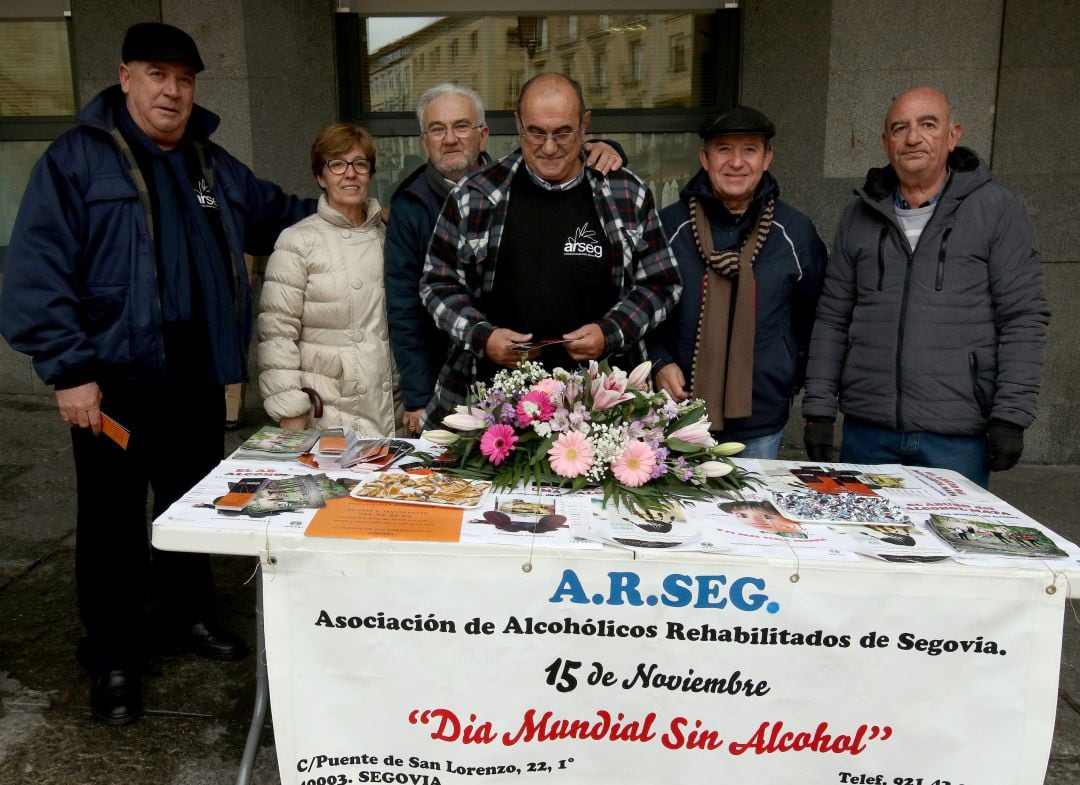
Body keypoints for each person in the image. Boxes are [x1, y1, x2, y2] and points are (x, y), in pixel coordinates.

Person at [0, 23, 314, 725]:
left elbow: (284, 218)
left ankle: (185, 615)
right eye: (156, 74)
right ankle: (112, 653)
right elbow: (36, 270)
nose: (172, 91)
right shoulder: (78, 161)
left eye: (184, 78)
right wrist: (69, 369)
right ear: (125, 77)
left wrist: (355, 212)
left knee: (190, 506)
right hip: (111, 380)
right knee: (112, 520)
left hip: (198, 373)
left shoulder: (211, 164)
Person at [801, 87, 1049, 487]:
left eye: (927, 125)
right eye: (900, 128)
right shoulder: (858, 217)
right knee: (865, 544)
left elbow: (1023, 318)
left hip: (957, 439)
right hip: (867, 433)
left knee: (952, 548)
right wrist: (819, 409)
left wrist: (1011, 415)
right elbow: (832, 319)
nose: (913, 137)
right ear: (886, 143)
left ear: (952, 136)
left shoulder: (998, 209)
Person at [421, 73, 681, 425]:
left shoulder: (626, 194)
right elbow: (438, 284)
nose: (548, 147)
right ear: (517, 124)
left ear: (584, 125)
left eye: (562, 132)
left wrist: (610, 332)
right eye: (536, 132)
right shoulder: (475, 196)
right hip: (493, 407)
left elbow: (661, 283)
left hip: (603, 408)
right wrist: (485, 337)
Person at [385, 82, 626, 433]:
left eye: (461, 126)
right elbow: (413, 300)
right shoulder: (420, 204)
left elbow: (656, 281)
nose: (450, 138)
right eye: (437, 129)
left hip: (589, 397)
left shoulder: (610, 190)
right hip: (471, 387)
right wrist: (420, 393)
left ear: (484, 135)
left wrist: (611, 333)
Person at [646, 106, 826, 458]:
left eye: (749, 149)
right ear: (705, 157)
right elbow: (641, 309)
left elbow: (816, 318)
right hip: (675, 416)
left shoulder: (795, 233)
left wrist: (786, 376)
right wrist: (658, 362)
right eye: (724, 149)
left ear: (767, 157)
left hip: (761, 424)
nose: (736, 162)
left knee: (750, 513)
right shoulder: (667, 228)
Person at [258, 123, 403, 437]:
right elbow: (276, 334)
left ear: (370, 173)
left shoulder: (391, 236)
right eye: (337, 164)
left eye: (360, 164)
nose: (350, 173)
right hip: (328, 415)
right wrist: (290, 410)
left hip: (392, 412)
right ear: (320, 176)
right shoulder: (297, 242)